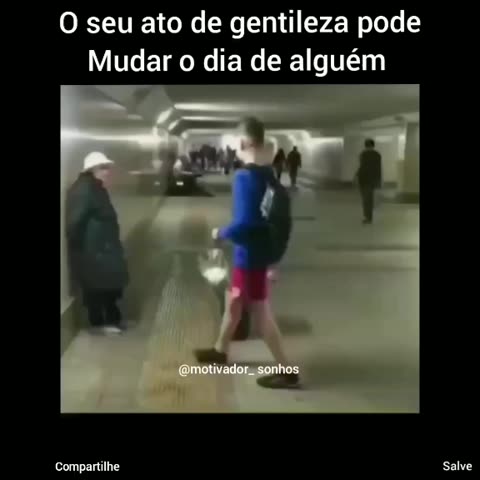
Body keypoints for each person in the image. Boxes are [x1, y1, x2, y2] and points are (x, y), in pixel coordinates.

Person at [194, 117, 300, 389]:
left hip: (251, 257)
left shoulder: (244, 177)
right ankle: (220, 350)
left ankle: (287, 370)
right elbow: (272, 218)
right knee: (234, 302)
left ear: (243, 143)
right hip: (259, 253)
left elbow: (246, 223)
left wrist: (221, 233)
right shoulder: (269, 177)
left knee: (261, 314)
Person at [65, 152, 129, 335]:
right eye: (103, 168)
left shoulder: (94, 187)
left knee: (107, 287)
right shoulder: (84, 190)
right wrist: (82, 250)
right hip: (93, 251)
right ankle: (100, 323)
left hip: (102, 248)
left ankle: (110, 320)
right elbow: (73, 223)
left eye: (107, 168)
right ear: (91, 169)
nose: (107, 171)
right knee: (96, 289)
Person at [356, 138, 382, 224]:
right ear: (373, 145)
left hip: (364, 179)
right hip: (373, 180)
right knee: (369, 199)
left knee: (365, 199)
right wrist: (378, 181)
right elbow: (378, 169)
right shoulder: (377, 155)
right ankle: (369, 217)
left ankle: (367, 217)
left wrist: (356, 176)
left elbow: (362, 167)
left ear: (365, 145)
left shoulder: (363, 154)